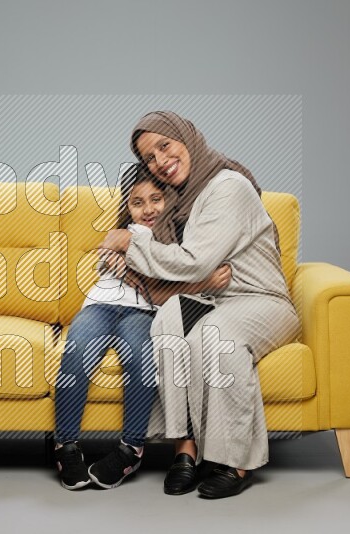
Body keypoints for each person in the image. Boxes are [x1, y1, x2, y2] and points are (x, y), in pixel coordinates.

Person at [99, 111, 300, 499]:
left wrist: (129, 242)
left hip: (261, 301)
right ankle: (185, 449)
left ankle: (235, 461)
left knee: (214, 334)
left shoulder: (228, 187)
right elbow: (172, 276)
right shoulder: (179, 200)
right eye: (150, 158)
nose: (160, 161)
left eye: (165, 146)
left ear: (186, 138)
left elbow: (195, 261)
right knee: (170, 320)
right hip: (212, 298)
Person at [53, 164, 231, 490]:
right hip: (100, 306)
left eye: (156, 199)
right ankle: (66, 446)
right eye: (138, 203)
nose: (148, 209)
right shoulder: (121, 235)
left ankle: (131, 449)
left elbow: (154, 291)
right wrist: (187, 281)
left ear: (170, 200)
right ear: (128, 207)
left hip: (144, 314)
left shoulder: (178, 243)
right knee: (77, 351)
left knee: (142, 359)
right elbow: (150, 283)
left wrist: (150, 275)